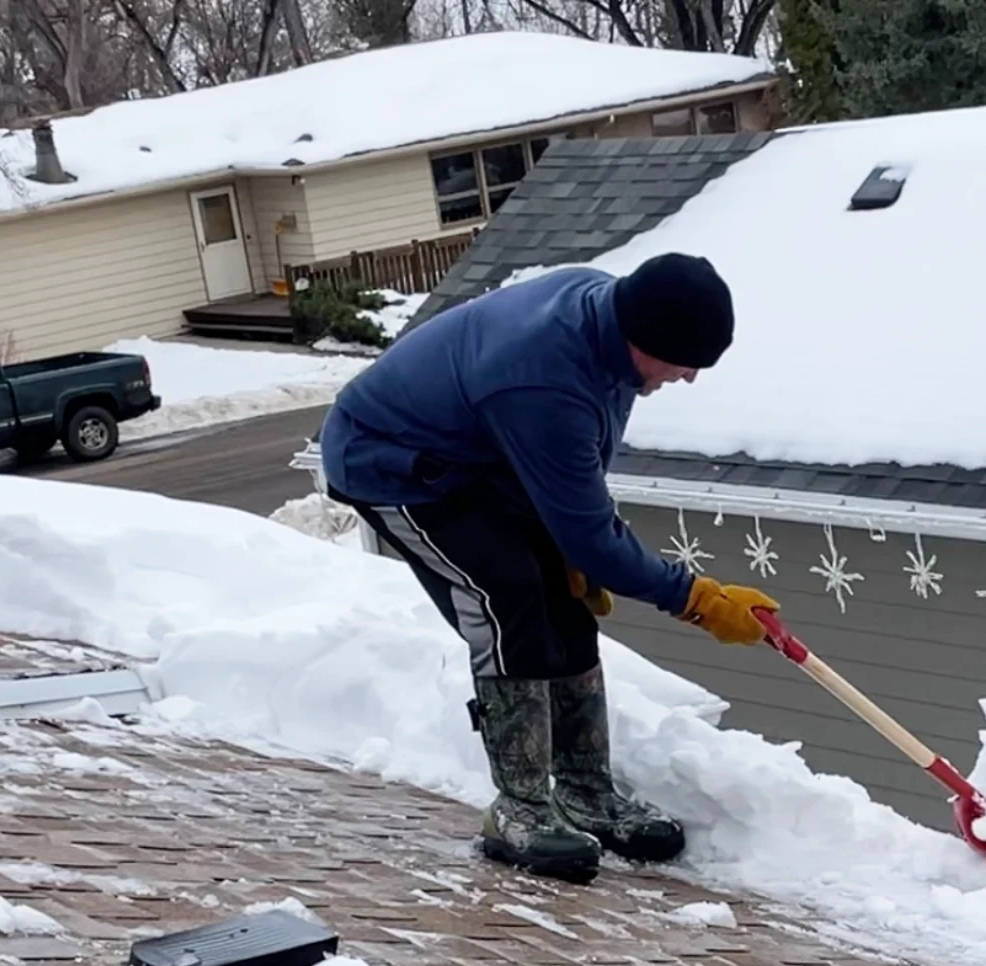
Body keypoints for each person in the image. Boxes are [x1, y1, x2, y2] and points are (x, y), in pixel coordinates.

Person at [317, 253, 779, 885]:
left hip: (482, 455)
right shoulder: (542, 379)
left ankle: (589, 793)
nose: (690, 376)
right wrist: (694, 597)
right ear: (643, 338)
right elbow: (589, 529)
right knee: (507, 596)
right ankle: (522, 808)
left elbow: (581, 478)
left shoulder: (608, 316)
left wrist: (574, 544)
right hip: (394, 462)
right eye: (684, 361)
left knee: (566, 605)